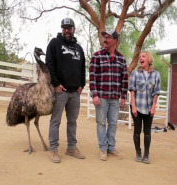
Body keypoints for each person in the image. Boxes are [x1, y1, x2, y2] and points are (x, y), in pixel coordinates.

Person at [45, 18, 86, 163]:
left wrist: (82, 84)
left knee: (72, 121)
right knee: (56, 120)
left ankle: (71, 148)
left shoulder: (79, 48)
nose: (66, 30)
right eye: (64, 28)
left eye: (69, 28)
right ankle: (54, 149)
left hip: (75, 92)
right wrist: (55, 83)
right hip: (60, 90)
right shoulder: (55, 43)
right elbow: (49, 64)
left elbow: (82, 68)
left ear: (74, 29)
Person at [89, 29, 128, 161]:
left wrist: (123, 96)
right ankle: (103, 149)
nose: (105, 40)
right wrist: (94, 94)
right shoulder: (97, 56)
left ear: (115, 41)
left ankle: (111, 148)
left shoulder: (121, 59)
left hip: (115, 97)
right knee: (101, 123)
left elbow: (124, 79)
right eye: (104, 37)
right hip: (101, 96)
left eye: (109, 37)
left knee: (113, 123)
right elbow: (92, 77)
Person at [129, 51, 161, 164]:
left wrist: (153, 107)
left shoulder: (156, 74)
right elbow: (132, 91)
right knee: (137, 131)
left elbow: (156, 92)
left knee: (147, 132)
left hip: (149, 108)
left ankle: (146, 154)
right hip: (137, 106)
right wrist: (133, 107)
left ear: (148, 59)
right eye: (140, 57)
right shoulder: (135, 73)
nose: (140, 59)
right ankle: (138, 153)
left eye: (143, 56)